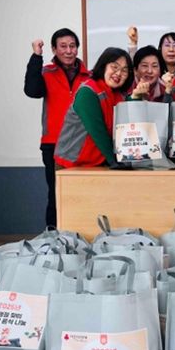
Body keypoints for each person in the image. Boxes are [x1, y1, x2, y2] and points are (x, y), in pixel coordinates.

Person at [23, 28, 90, 227]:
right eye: (63, 46)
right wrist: (36, 56)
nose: (69, 51)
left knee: (83, 193)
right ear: (54, 49)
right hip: (53, 144)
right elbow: (32, 91)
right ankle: (54, 235)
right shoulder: (46, 72)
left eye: (72, 46)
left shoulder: (89, 76)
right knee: (56, 193)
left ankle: (82, 232)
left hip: (83, 144)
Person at [54, 48, 134, 168]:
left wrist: (136, 96)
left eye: (124, 70)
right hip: (72, 165)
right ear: (104, 66)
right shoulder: (88, 92)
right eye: (114, 67)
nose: (118, 73)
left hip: (98, 163)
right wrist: (114, 161)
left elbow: (129, 121)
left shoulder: (118, 95)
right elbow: (98, 130)